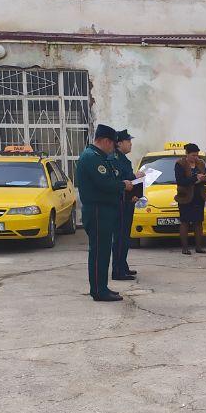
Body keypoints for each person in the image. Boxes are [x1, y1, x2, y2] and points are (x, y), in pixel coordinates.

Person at [76, 124, 127, 302]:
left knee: (103, 251)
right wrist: (123, 185)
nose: (113, 148)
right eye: (113, 144)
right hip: (98, 210)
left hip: (103, 210)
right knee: (99, 252)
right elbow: (105, 183)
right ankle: (99, 290)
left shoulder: (98, 156)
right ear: (105, 141)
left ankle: (101, 287)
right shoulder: (92, 157)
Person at [111, 129, 138, 281]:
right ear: (119, 143)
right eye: (128, 141)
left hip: (127, 201)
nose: (131, 144)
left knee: (125, 237)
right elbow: (120, 179)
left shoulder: (123, 159)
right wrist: (135, 176)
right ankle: (118, 270)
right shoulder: (115, 158)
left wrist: (134, 194)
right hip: (120, 203)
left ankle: (123, 265)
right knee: (120, 238)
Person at [175, 142, 206, 255]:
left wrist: (204, 178)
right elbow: (180, 181)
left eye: (197, 155)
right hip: (185, 197)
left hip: (199, 196)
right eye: (193, 155)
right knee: (185, 222)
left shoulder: (201, 163)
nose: (195, 158)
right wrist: (195, 178)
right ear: (187, 154)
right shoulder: (180, 164)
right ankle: (185, 248)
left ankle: (199, 247)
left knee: (198, 222)